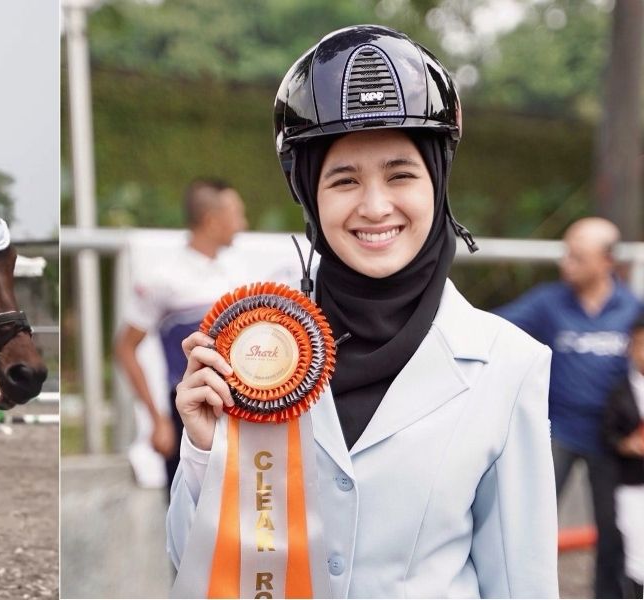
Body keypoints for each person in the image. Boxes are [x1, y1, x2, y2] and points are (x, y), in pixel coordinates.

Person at [168, 25, 558, 597]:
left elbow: (522, 583)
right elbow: (190, 566)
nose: (375, 207)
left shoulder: (509, 364)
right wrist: (204, 450)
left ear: (438, 181)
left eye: (401, 174)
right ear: (308, 193)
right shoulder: (254, 355)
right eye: (344, 180)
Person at [496, 216, 639, 598]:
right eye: (566, 254)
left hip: (610, 439)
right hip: (556, 430)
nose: (566, 264)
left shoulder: (632, 309)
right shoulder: (548, 302)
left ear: (607, 261)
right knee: (528, 521)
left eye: (577, 257)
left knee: (614, 532)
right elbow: (494, 329)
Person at [114, 179, 247, 492]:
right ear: (213, 220)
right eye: (237, 214)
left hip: (241, 409)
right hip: (188, 410)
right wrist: (158, 420)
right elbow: (125, 348)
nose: (243, 223)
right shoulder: (163, 277)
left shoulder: (238, 274)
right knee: (187, 512)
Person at [605, 313, 644, 599]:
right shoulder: (618, 392)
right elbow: (608, 434)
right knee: (635, 554)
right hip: (631, 483)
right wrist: (625, 444)